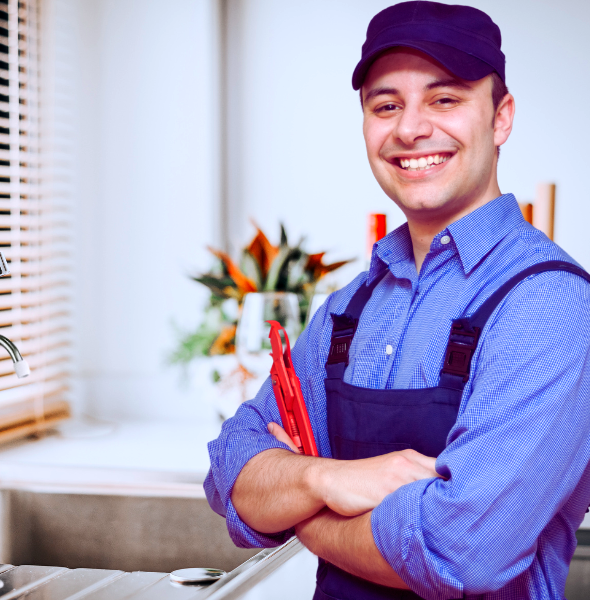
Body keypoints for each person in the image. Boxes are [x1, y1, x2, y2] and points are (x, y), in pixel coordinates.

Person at [203, 2, 590, 599]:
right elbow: (230, 469)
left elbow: (461, 550)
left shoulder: (549, 303)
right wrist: (333, 478)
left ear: (501, 117)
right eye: (387, 106)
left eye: (445, 99)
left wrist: (301, 505)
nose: (410, 130)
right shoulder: (348, 308)